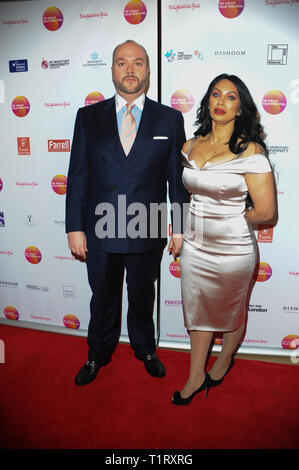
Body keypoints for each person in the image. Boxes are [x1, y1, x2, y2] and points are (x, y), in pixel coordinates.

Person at [66, 40, 190, 386]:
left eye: (137, 63)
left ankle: (146, 349)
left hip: (147, 224)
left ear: (148, 71)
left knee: (141, 296)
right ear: (112, 71)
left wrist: (178, 228)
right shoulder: (88, 117)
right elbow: (77, 175)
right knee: (102, 296)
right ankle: (97, 353)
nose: (130, 70)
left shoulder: (169, 118)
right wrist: (74, 226)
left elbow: (176, 182)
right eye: (122, 63)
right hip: (99, 225)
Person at [171, 74, 277, 405]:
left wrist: (229, 219)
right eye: (216, 95)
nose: (221, 102)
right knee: (197, 310)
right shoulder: (190, 144)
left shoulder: (252, 150)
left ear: (240, 108)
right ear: (207, 102)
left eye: (231, 97)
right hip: (195, 245)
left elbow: (266, 212)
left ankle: (225, 358)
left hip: (233, 249)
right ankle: (195, 375)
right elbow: (181, 196)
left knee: (231, 310)